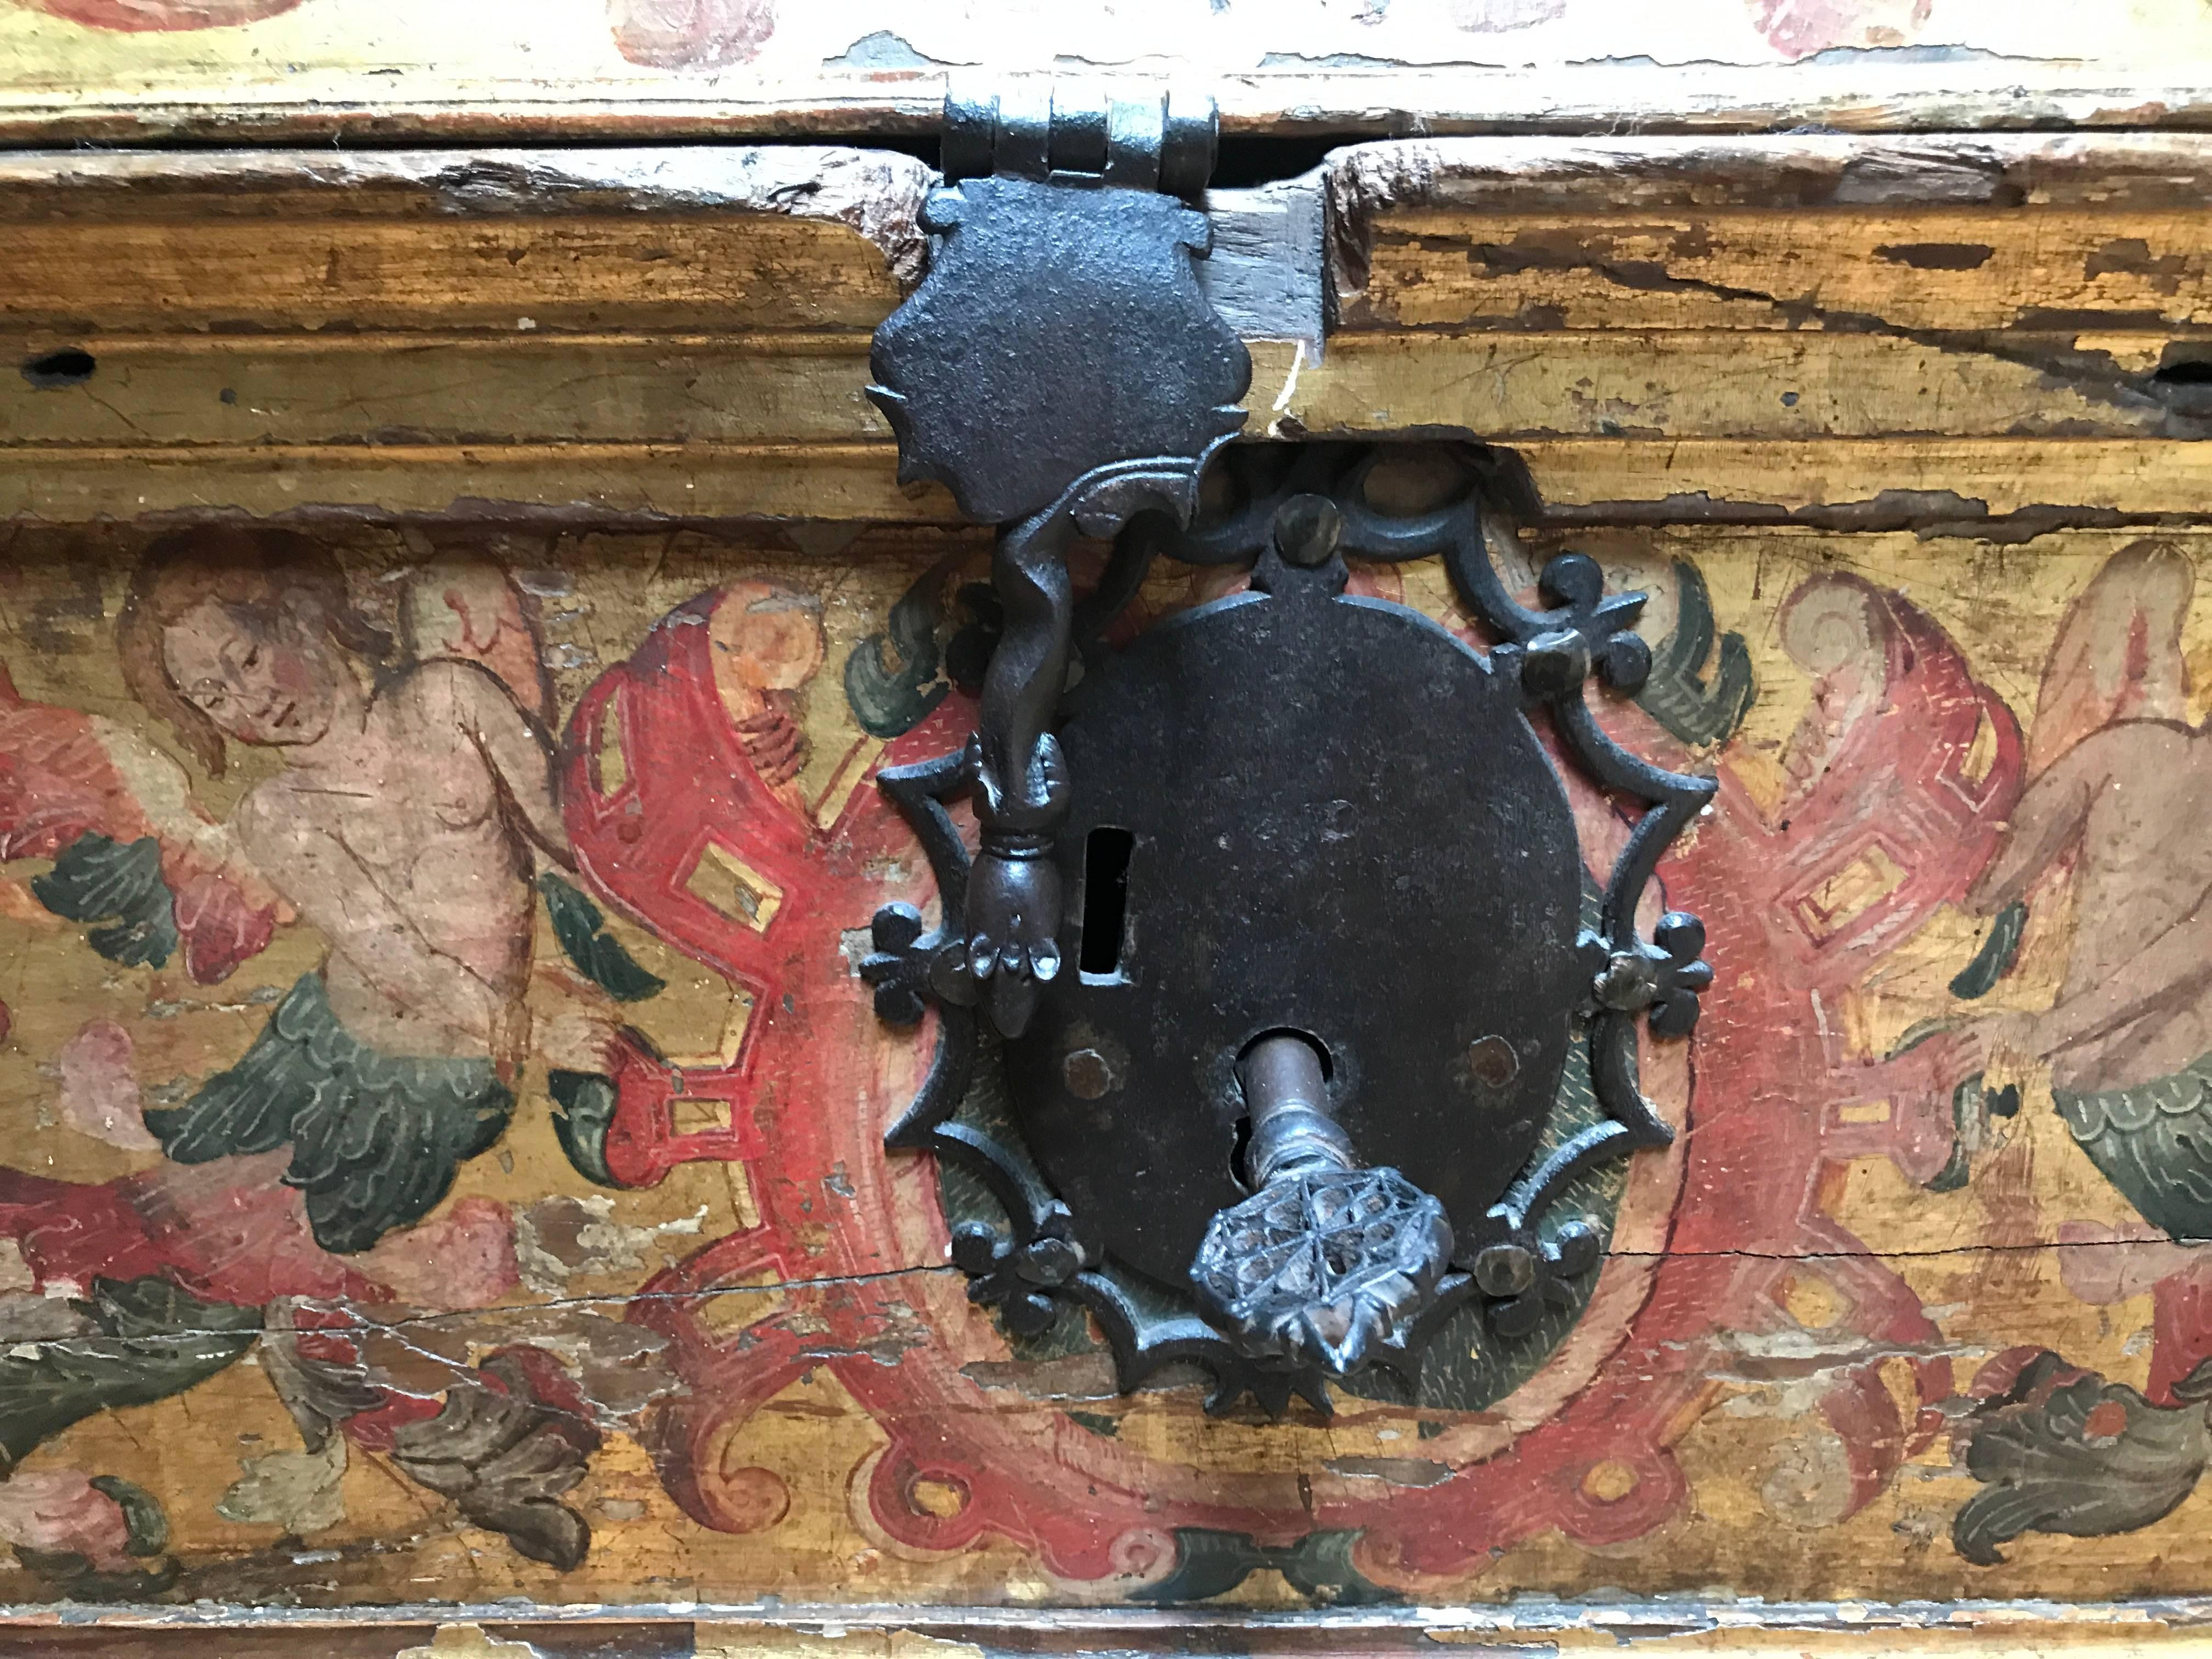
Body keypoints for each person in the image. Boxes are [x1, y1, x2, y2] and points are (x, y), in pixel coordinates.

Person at [116, 526, 609, 1253]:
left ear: (303, 613)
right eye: (213, 698)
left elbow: (570, 834)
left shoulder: (449, 697)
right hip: (373, 1072)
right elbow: (395, 958)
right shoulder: (279, 814)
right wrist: (537, 1037)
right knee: (267, 1242)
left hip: (486, 1045)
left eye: (248, 659)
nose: (250, 702)